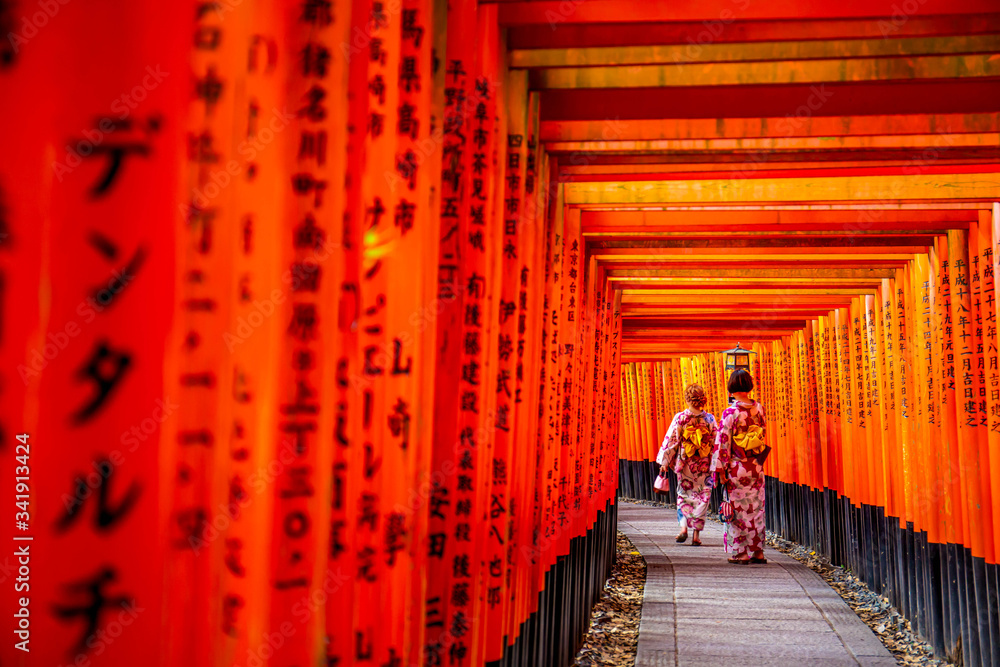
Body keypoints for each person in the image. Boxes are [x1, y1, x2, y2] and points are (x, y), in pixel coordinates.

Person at [712, 368, 768, 564]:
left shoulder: (730, 412)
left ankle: (741, 552)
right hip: (755, 466)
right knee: (756, 508)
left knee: (737, 509)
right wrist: (758, 462)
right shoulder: (759, 408)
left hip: (737, 467)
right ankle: (758, 551)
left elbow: (723, 442)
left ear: (732, 387)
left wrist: (720, 471)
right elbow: (762, 437)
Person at [657, 384, 718, 546]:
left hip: (685, 462)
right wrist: (717, 464)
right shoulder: (710, 419)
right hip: (704, 463)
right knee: (703, 497)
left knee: (683, 493)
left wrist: (664, 461)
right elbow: (715, 442)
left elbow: (671, 441)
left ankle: (683, 528)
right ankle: (696, 536)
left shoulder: (681, 418)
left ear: (687, 399)